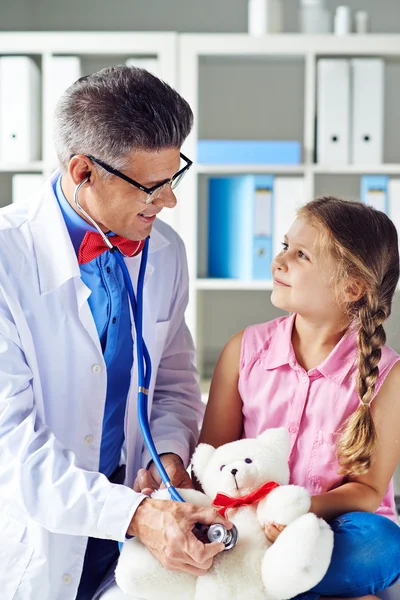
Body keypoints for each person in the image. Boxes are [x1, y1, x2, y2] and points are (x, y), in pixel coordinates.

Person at [0, 65, 231, 600]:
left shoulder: (165, 250)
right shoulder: (8, 259)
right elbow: (11, 448)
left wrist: (168, 453)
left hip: (127, 548)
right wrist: (137, 515)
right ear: (83, 171)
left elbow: (172, 379)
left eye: (175, 178)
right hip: (33, 543)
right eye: (152, 186)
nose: (169, 201)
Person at [197, 197, 400, 600]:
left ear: (352, 287)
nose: (279, 261)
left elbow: (367, 491)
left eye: (301, 255)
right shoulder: (244, 351)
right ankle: (292, 580)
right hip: (250, 525)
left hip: (334, 526)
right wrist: (257, 519)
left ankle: (274, 581)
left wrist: (297, 513)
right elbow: (214, 460)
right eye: (285, 245)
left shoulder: (387, 375)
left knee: (382, 543)